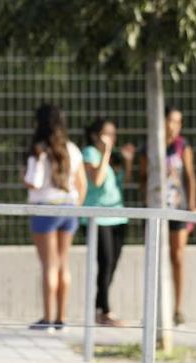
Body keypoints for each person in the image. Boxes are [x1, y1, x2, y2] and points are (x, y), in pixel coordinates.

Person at [24, 104, 87, 332]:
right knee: (63, 263)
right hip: (68, 207)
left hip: (45, 208)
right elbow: (82, 185)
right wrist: (75, 206)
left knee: (49, 265)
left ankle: (48, 318)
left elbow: (33, 182)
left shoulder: (39, 150)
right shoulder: (72, 149)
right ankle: (62, 317)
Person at [139, 105, 196, 325]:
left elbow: (190, 176)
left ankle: (177, 308)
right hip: (156, 208)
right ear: (162, 121)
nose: (174, 126)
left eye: (178, 122)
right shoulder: (150, 147)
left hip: (179, 207)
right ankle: (153, 308)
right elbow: (143, 178)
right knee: (154, 258)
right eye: (171, 120)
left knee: (178, 256)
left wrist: (192, 205)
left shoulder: (182, 146)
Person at [81, 118, 135, 327]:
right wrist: (105, 153)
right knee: (105, 263)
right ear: (96, 135)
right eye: (107, 133)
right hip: (97, 218)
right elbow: (96, 180)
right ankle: (104, 311)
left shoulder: (112, 157)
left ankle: (100, 306)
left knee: (112, 264)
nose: (111, 138)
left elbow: (122, 183)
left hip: (118, 216)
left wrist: (128, 161)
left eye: (113, 133)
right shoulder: (90, 153)